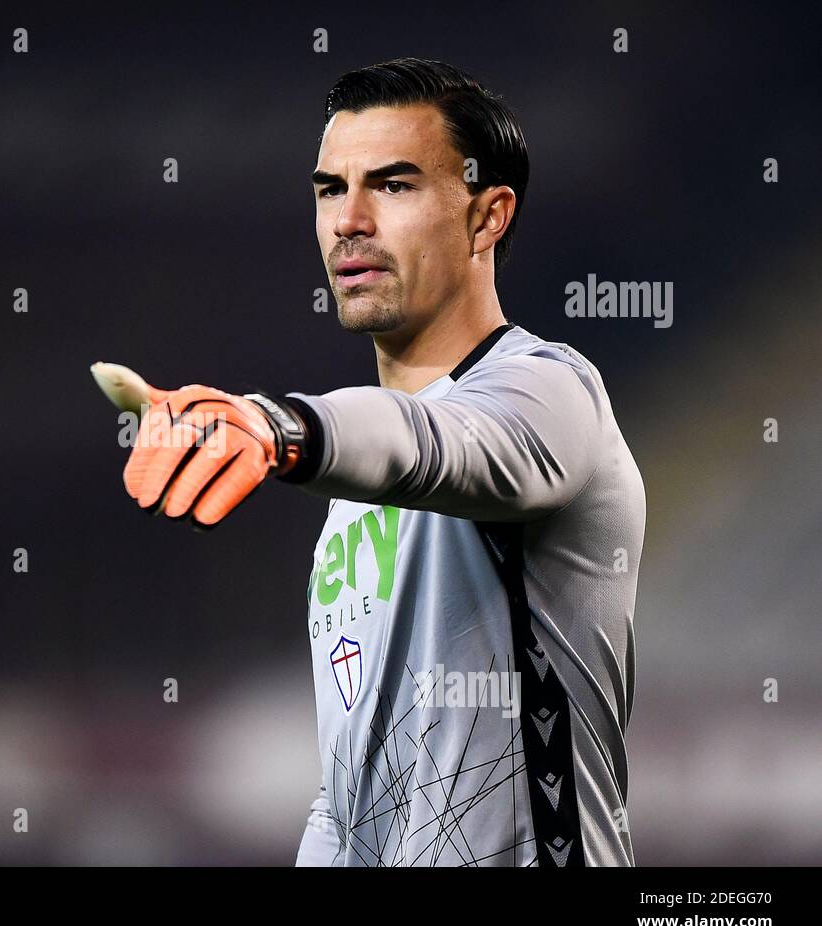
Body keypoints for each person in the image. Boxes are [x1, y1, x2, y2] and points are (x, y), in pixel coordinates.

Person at [109, 58, 643, 866]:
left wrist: (277, 424)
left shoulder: (552, 393)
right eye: (330, 189)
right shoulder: (351, 506)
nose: (348, 220)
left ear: (488, 216)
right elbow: (351, 791)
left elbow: (432, 446)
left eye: (393, 186)